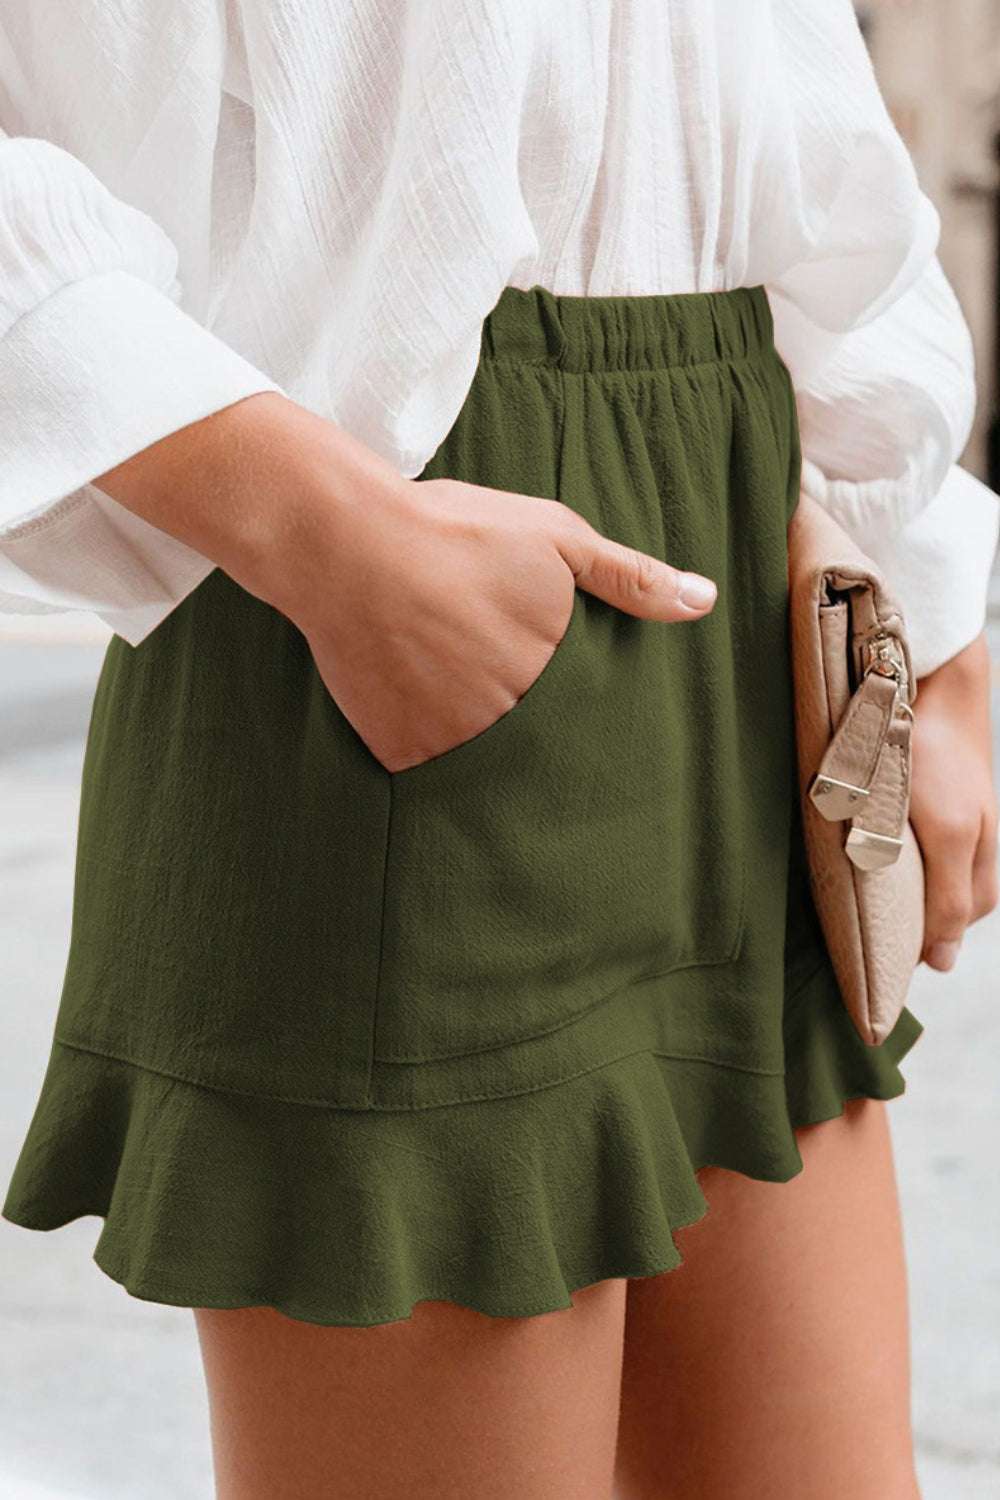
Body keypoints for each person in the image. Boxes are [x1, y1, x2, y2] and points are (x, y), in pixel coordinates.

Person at [1, 2, 997, 1497]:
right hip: (386, 614)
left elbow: (798, 105)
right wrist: (330, 534)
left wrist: (941, 629)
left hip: (743, 599)